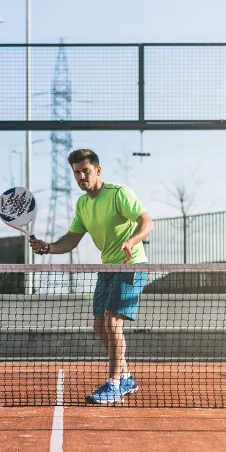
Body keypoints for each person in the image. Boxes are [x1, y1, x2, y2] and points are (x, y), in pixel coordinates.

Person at [29, 149, 154, 404]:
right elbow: (72, 239)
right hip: (108, 266)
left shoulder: (119, 194)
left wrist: (132, 240)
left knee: (112, 322)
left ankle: (115, 384)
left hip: (132, 265)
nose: (81, 176)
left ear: (98, 170)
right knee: (99, 326)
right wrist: (49, 247)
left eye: (86, 170)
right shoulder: (82, 204)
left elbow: (147, 222)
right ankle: (127, 377)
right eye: (77, 172)